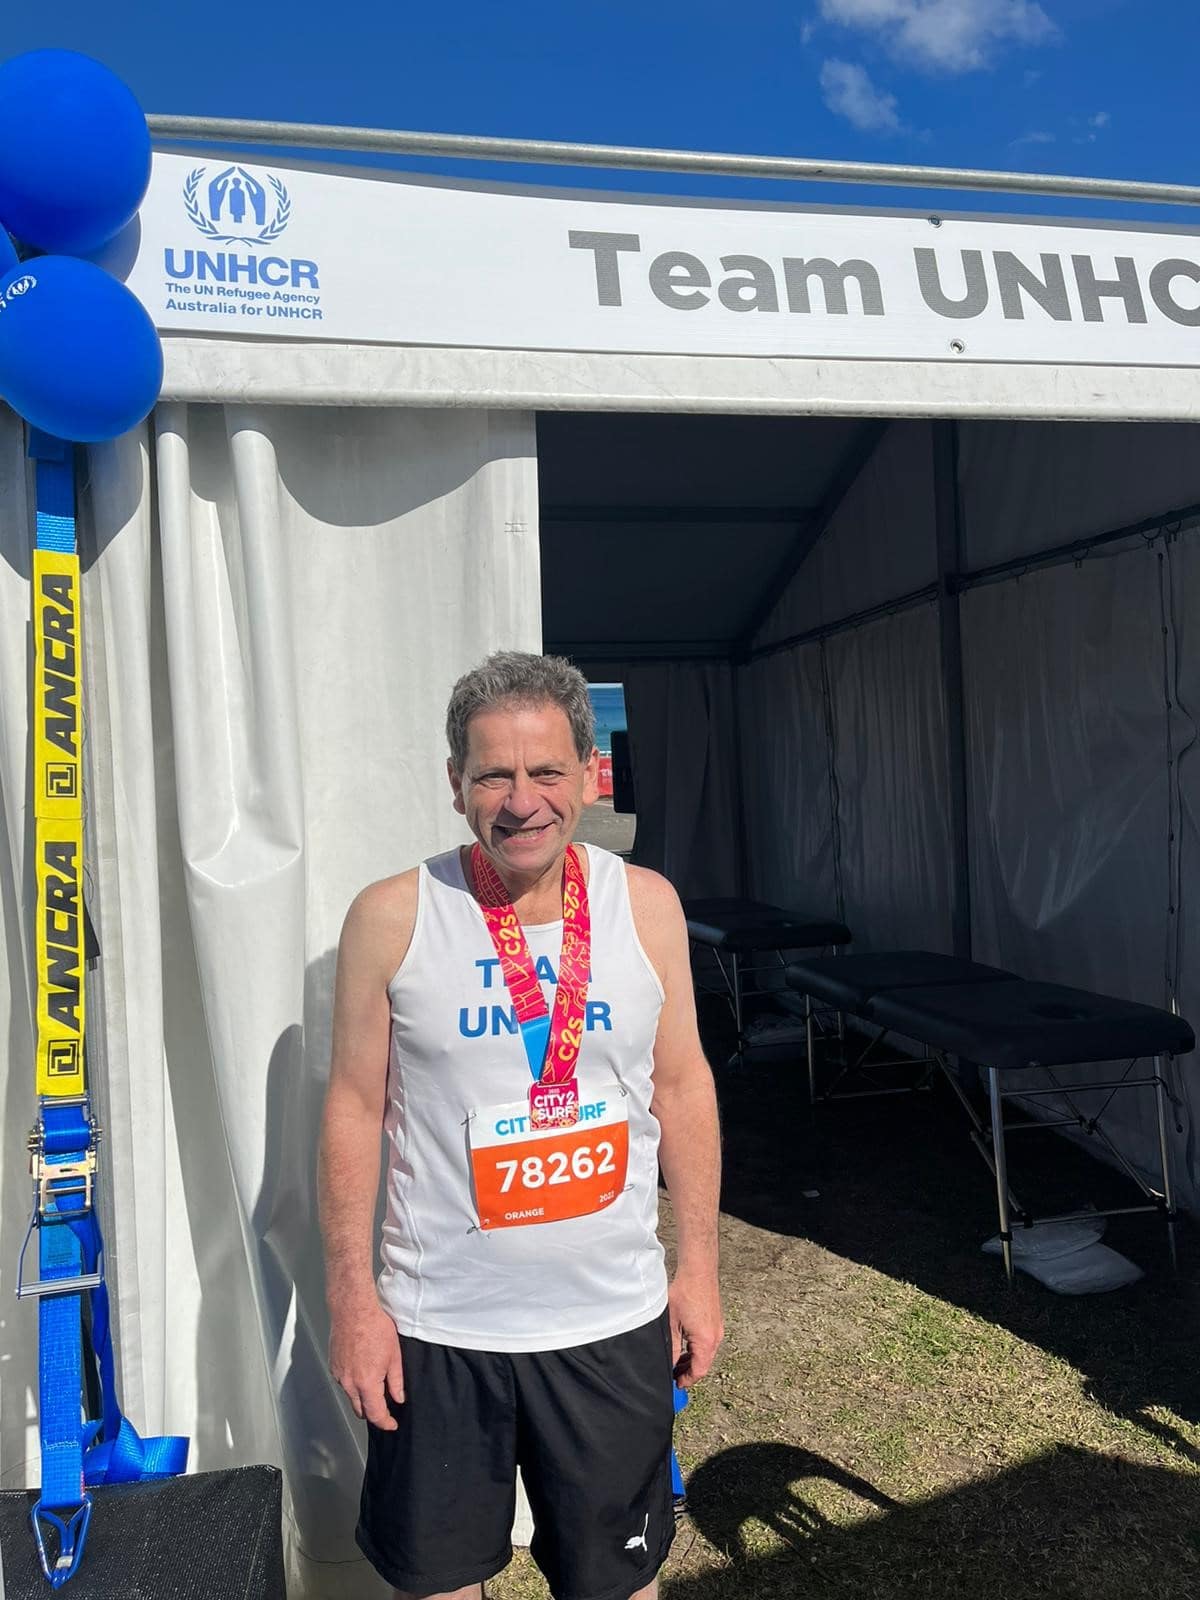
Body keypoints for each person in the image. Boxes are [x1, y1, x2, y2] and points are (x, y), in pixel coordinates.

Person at [319, 651, 723, 1600]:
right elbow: (352, 1105)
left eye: (547, 771)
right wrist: (351, 1300)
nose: (522, 800)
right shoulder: (392, 916)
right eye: (493, 773)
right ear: (456, 784)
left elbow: (685, 1086)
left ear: (590, 773)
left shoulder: (647, 906)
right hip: (440, 1328)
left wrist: (697, 1269)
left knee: (616, 1585)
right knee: (442, 1584)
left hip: (609, 1321)